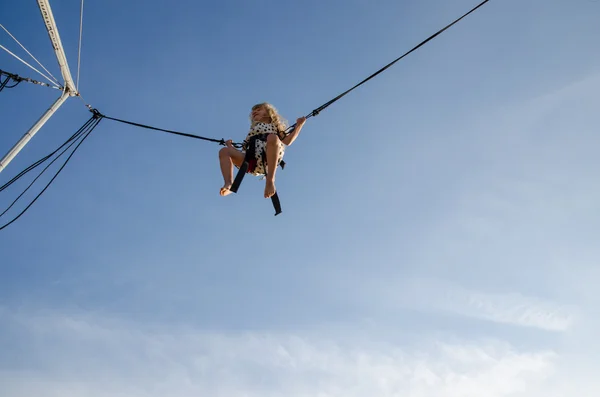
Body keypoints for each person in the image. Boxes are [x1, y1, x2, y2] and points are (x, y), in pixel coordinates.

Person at [218, 103, 306, 199]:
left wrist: (299, 125)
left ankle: (270, 180)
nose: (254, 112)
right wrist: (229, 146)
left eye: (258, 109)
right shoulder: (253, 130)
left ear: (268, 113)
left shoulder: (275, 127)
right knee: (224, 151)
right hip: (251, 162)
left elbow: (287, 141)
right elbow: (244, 150)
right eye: (253, 111)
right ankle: (229, 184)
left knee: (273, 137)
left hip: (269, 159)